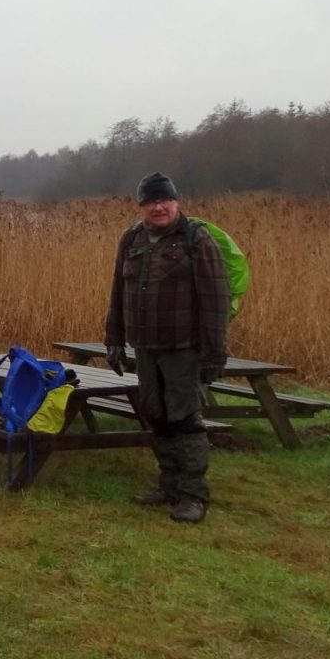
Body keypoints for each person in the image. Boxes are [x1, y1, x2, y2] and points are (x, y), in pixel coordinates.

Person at [105, 172, 230, 524]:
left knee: (185, 418)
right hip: (145, 347)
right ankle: (169, 485)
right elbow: (118, 292)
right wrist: (113, 339)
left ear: (176, 201)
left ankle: (193, 495)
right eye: (151, 202)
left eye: (164, 200)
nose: (158, 207)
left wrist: (214, 352)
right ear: (142, 206)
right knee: (156, 415)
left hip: (184, 348)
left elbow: (216, 300)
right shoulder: (131, 239)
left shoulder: (196, 239)